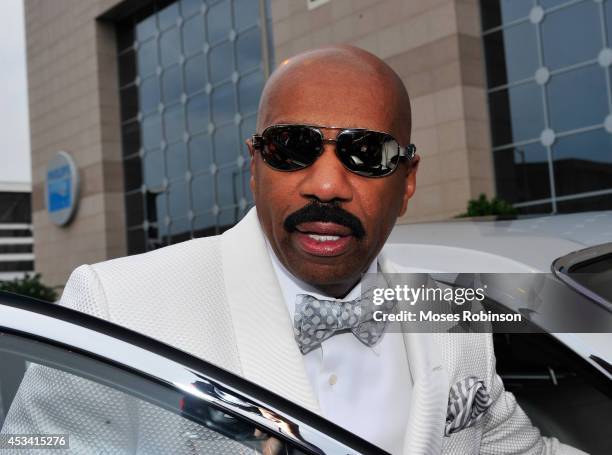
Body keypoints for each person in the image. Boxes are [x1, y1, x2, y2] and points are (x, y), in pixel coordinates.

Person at [2, 45, 582, 454]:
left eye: (367, 153)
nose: (326, 185)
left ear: (406, 182)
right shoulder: (118, 302)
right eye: (291, 147)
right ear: (254, 167)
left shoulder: (448, 316)